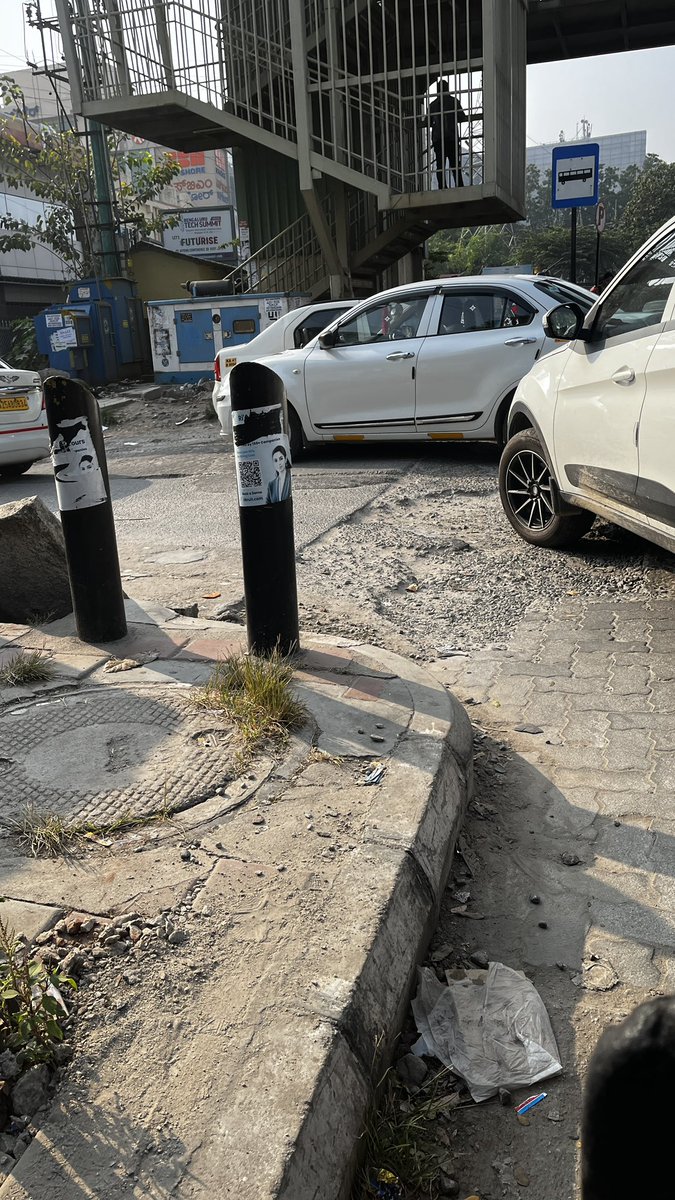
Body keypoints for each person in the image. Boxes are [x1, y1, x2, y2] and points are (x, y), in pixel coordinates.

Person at [428, 83, 467, 189]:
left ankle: (442, 187)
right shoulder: (453, 102)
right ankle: (459, 186)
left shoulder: (433, 105)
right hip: (451, 137)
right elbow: (462, 117)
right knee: (455, 165)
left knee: (440, 166)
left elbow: (427, 121)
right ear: (448, 89)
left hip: (438, 139)